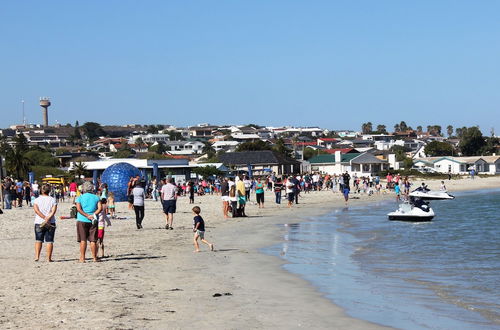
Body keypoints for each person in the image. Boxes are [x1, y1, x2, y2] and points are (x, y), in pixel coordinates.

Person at [75, 181, 102, 262]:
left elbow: (78, 209)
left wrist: (86, 215)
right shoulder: (96, 197)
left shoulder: (80, 197)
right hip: (93, 220)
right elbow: (100, 208)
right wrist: (93, 215)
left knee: (83, 240)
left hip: (82, 220)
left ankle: (82, 258)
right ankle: (94, 257)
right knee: (93, 240)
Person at [33, 184, 58, 262]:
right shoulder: (52, 200)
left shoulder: (36, 200)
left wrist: (44, 217)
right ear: (49, 191)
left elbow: (36, 210)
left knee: (38, 240)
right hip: (50, 222)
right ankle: (49, 258)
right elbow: (53, 211)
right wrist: (48, 218)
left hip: (39, 221)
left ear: (41, 190)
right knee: (49, 241)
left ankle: (37, 256)